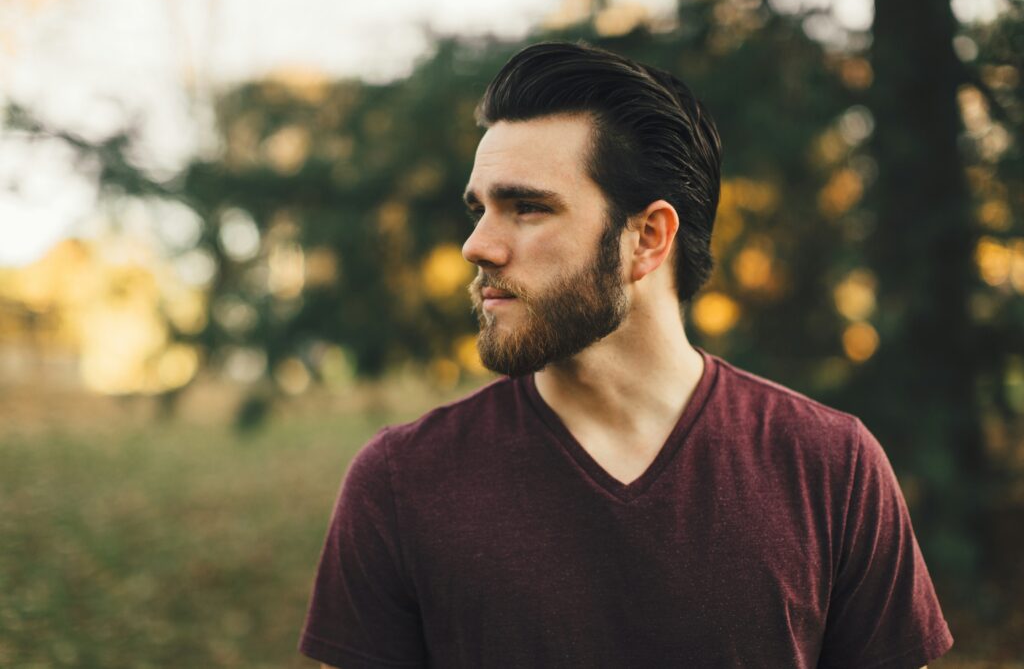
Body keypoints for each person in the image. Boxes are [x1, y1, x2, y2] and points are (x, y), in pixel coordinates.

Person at [298, 41, 953, 668]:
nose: (478, 245)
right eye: (480, 209)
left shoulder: (830, 467)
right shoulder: (401, 482)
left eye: (527, 207)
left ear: (647, 238)